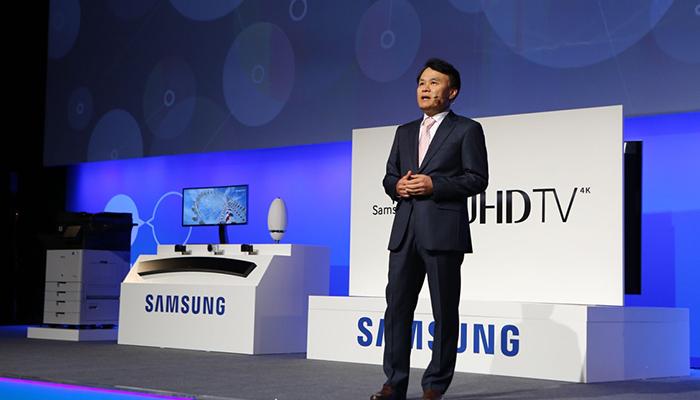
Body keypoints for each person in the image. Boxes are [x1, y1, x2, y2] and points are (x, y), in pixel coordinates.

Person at [371, 58, 489, 400]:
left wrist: (434, 185)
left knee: (444, 311)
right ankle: (394, 384)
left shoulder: (467, 129)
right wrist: (397, 187)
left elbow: (477, 179)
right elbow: (389, 175)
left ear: (452, 92)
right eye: (421, 82)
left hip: (443, 234)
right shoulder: (404, 132)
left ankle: (435, 385)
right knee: (396, 310)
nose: (425, 88)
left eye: (434, 82)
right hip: (404, 232)